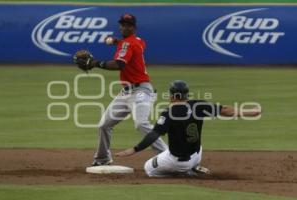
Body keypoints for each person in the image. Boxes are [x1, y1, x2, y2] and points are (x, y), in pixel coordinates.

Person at [73, 13, 167, 166]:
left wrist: (95, 63)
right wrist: (116, 41)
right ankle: (102, 159)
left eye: (128, 25)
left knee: (141, 124)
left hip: (141, 91)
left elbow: (119, 64)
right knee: (104, 124)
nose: (124, 27)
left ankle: (168, 156)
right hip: (126, 92)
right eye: (122, 24)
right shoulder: (138, 41)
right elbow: (131, 44)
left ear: (133, 27)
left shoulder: (127, 44)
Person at [116, 80, 261, 177]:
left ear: (172, 95)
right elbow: (225, 110)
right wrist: (247, 112)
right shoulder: (198, 105)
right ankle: (193, 167)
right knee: (188, 144)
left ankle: (185, 173)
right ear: (187, 94)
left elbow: (154, 134)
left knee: (149, 168)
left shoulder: (168, 113)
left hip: (178, 162)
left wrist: (134, 149)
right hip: (197, 154)